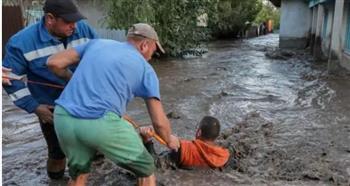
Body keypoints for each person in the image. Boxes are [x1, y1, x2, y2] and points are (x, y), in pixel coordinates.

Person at [47, 23, 180, 186]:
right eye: (154, 50)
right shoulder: (146, 70)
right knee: (146, 168)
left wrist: (71, 78)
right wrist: (169, 140)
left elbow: (54, 62)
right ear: (144, 45)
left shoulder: (98, 43)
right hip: (99, 123)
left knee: (78, 174)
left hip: (63, 118)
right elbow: (159, 123)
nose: (152, 56)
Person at [2, 0, 98, 179]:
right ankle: (55, 181)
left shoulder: (83, 29)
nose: (74, 26)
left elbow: (101, 57)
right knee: (57, 154)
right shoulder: (20, 43)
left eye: (76, 21)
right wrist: (35, 107)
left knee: (96, 144)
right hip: (51, 109)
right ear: (50, 19)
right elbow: (10, 80)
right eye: (68, 22)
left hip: (88, 101)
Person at [140, 116, 230, 170]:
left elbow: (154, 165)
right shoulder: (223, 155)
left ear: (199, 132)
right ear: (216, 137)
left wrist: (147, 140)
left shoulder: (183, 150)